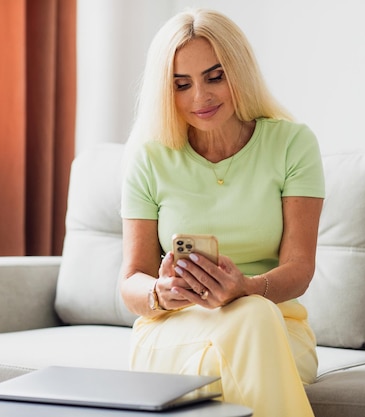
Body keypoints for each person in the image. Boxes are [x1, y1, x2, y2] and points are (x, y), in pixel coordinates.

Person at [120, 8, 325, 417]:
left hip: (278, 327)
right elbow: (130, 282)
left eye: (215, 77)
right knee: (245, 330)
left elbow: (300, 268)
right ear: (167, 90)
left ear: (240, 71)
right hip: (173, 330)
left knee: (252, 316)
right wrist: (160, 293)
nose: (201, 97)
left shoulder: (292, 143)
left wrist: (244, 288)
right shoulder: (148, 158)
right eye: (182, 84)